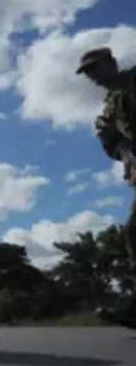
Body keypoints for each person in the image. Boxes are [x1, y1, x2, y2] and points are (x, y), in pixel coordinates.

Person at [76, 47, 136, 327]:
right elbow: (116, 149)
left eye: (95, 68)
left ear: (111, 63)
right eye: (88, 73)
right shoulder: (111, 105)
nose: (93, 77)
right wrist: (107, 138)